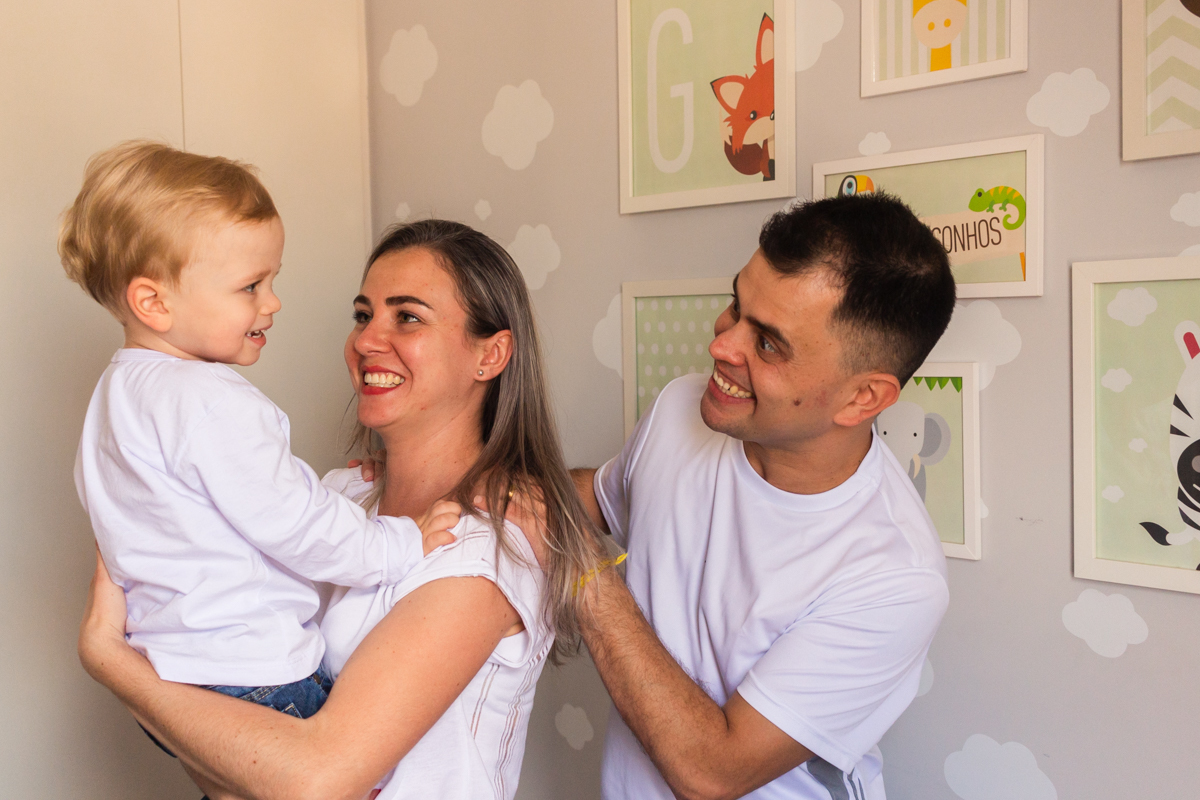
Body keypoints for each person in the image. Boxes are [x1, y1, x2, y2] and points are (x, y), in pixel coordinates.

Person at [77, 219, 603, 800]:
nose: (367, 340)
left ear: (491, 355)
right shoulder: (340, 498)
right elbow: (232, 721)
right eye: (362, 315)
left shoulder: (484, 548)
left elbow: (309, 780)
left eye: (407, 316)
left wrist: (114, 664)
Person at [60, 142, 460, 756]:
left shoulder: (116, 397)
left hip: (172, 673)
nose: (271, 302)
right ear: (154, 302)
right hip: (256, 673)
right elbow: (294, 526)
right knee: (367, 762)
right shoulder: (214, 400)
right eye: (251, 285)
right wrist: (401, 541)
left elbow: (206, 514)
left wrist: (331, 489)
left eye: (272, 281)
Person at [570, 193, 957, 800]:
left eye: (769, 344)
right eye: (735, 306)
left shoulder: (893, 578)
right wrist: (464, 476)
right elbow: (595, 499)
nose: (722, 346)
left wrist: (584, 577)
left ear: (863, 398)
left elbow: (713, 772)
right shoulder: (683, 409)